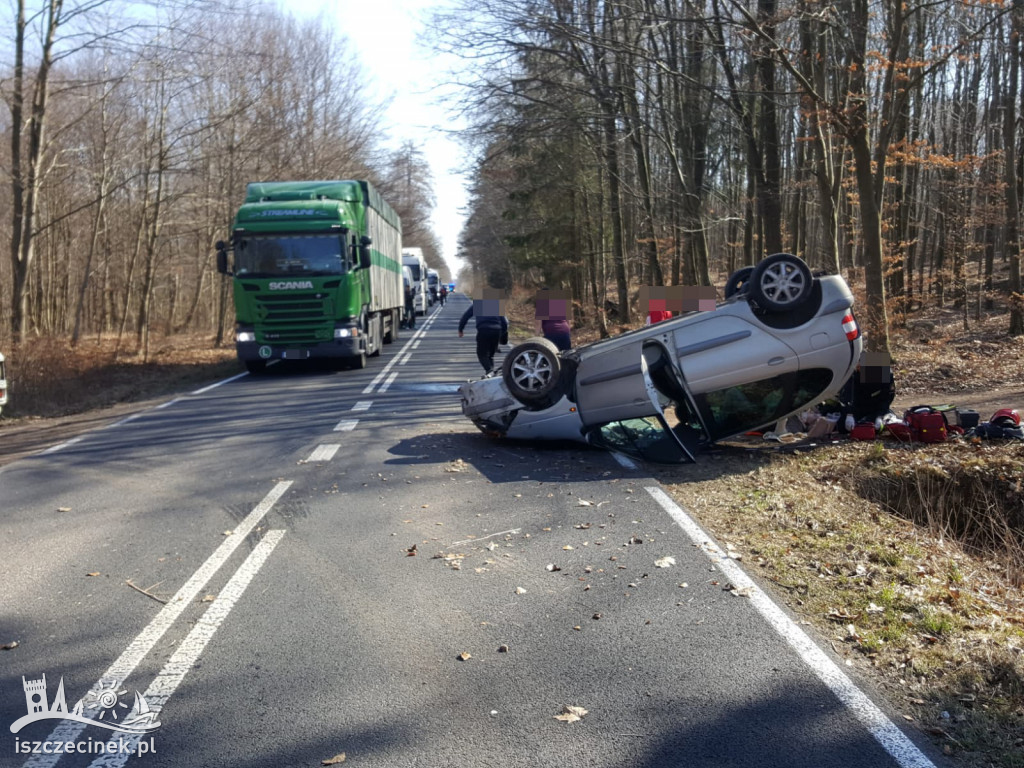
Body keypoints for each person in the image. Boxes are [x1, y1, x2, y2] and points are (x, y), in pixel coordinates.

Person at [459, 292, 509, 374]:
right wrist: (502, 334)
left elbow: (465, 316)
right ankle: (491, 374)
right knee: (490, 356)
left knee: (481, 354)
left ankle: (489, 371)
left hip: (483, 330)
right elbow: (504, 322)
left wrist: (460, 329)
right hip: (496, 331)